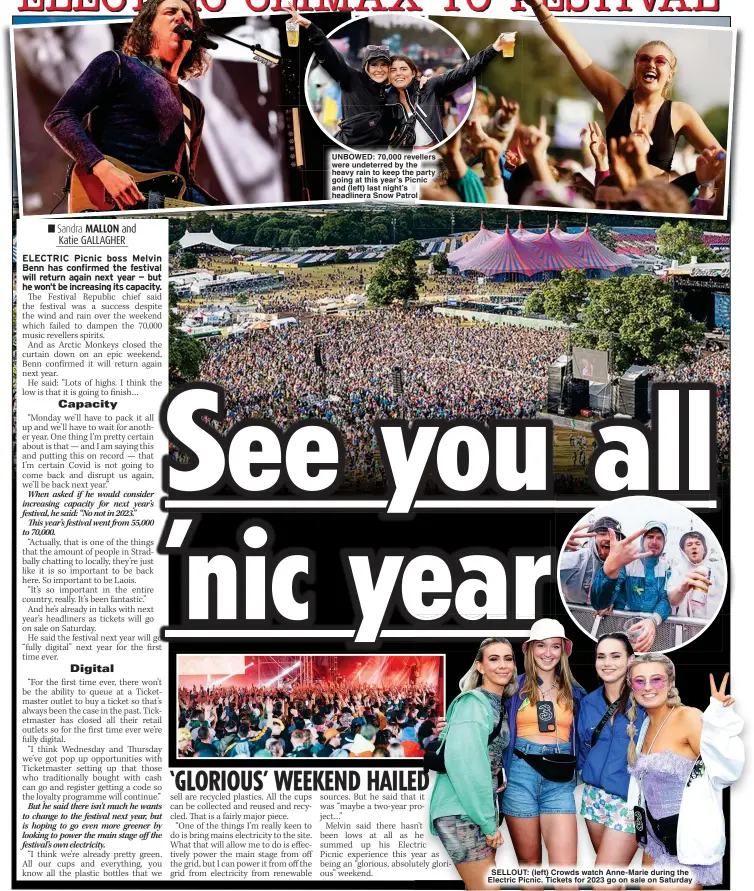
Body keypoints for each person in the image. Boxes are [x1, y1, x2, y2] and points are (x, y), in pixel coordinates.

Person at [45, 0, 218, 209]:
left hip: (158, 212)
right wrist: (103, 169)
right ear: (148, 26)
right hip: (110, 203)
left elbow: (185, 182)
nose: (180, 18)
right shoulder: (117, 64)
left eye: (188, 17)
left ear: (193, 39)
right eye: (170, 12)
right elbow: (60, 117)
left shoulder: (193, 106)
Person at [521, 0, 724, 177]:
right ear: (636, 66)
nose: (651, 64)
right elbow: (570, 46)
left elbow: (721, 157)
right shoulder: (614, 96)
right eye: (644, 59)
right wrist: (537, 5)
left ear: (670, 73)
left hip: (658, 204)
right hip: (615, 199)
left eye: (660, 61)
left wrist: (700, 178)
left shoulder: (681, 112)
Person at [626, 654, 742, 889]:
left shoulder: (689, 717)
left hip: (685, 846)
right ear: (631, 686)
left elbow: (725, 768)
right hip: (655, 842)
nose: (648, 687)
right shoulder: (645, 724)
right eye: (640, 681)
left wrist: (718, 718)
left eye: (656, 679)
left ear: (670, 683)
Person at [428, 638, 516, 891]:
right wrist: (488, 823)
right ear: (479, 666)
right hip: (462, 812)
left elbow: (486, 755)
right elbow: (469, 767)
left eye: (507, 659)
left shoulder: (493, 703)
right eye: (493, 659)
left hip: (476, 809)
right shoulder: (473, 703)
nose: (502, 665)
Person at [502, 619, 586, 881]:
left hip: (558, 781)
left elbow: (589, 736)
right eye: (541, 646)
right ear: (529, 649)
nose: (548, 653)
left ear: (564, 651)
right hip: (519, 775)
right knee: (531, 869)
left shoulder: (576, 693)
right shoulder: (512, 688)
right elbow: (485, 721)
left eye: (555, 646)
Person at [577, 634, 644, 889]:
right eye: (601, 656)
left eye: (616, 656)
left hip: (629, 801)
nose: (607, 663)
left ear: (631, 659)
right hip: (594, 799)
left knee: (602, 882)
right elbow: (583, 747)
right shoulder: (588, 702)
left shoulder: (647, 699)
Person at [285, 6, 392, 148]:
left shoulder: (391, 91)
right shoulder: (353, 79)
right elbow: (330, 57)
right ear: (366, 66)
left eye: (383, 65)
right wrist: (310, 27)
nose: (379, 69)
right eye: (374, 65)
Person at [387, 36, 510, 150]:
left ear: (413, 73)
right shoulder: (385, 100)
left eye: (403, 69)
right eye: (393, 70)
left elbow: (464, 72)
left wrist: (493, 49)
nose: (398, 73)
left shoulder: (429, 86)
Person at [591, 522, 672, 653]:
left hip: (652, 631)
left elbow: (667, 599)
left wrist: (653, 620)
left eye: (659, 538)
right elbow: (601, 601)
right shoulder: (628, 563)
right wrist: (608, 575)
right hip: (623, 628)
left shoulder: (666, 568)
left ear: (664, 542)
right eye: (650, 536)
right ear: (642, 540)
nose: (654, 541)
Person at [559, 516, 624, 605]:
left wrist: (611, 602)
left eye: (615, 536)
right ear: (591, 538)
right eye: (602, 533)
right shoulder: (573, 560)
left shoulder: (622, 565)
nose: (609, 538)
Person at [668, 531, 722, 621]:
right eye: (689, 545)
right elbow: (672, 601)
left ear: (705, 549)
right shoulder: (677, 570)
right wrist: (681, 590)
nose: (694, 547)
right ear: (683, 551)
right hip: (684, 625)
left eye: (698, 544)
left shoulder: (717, 570)